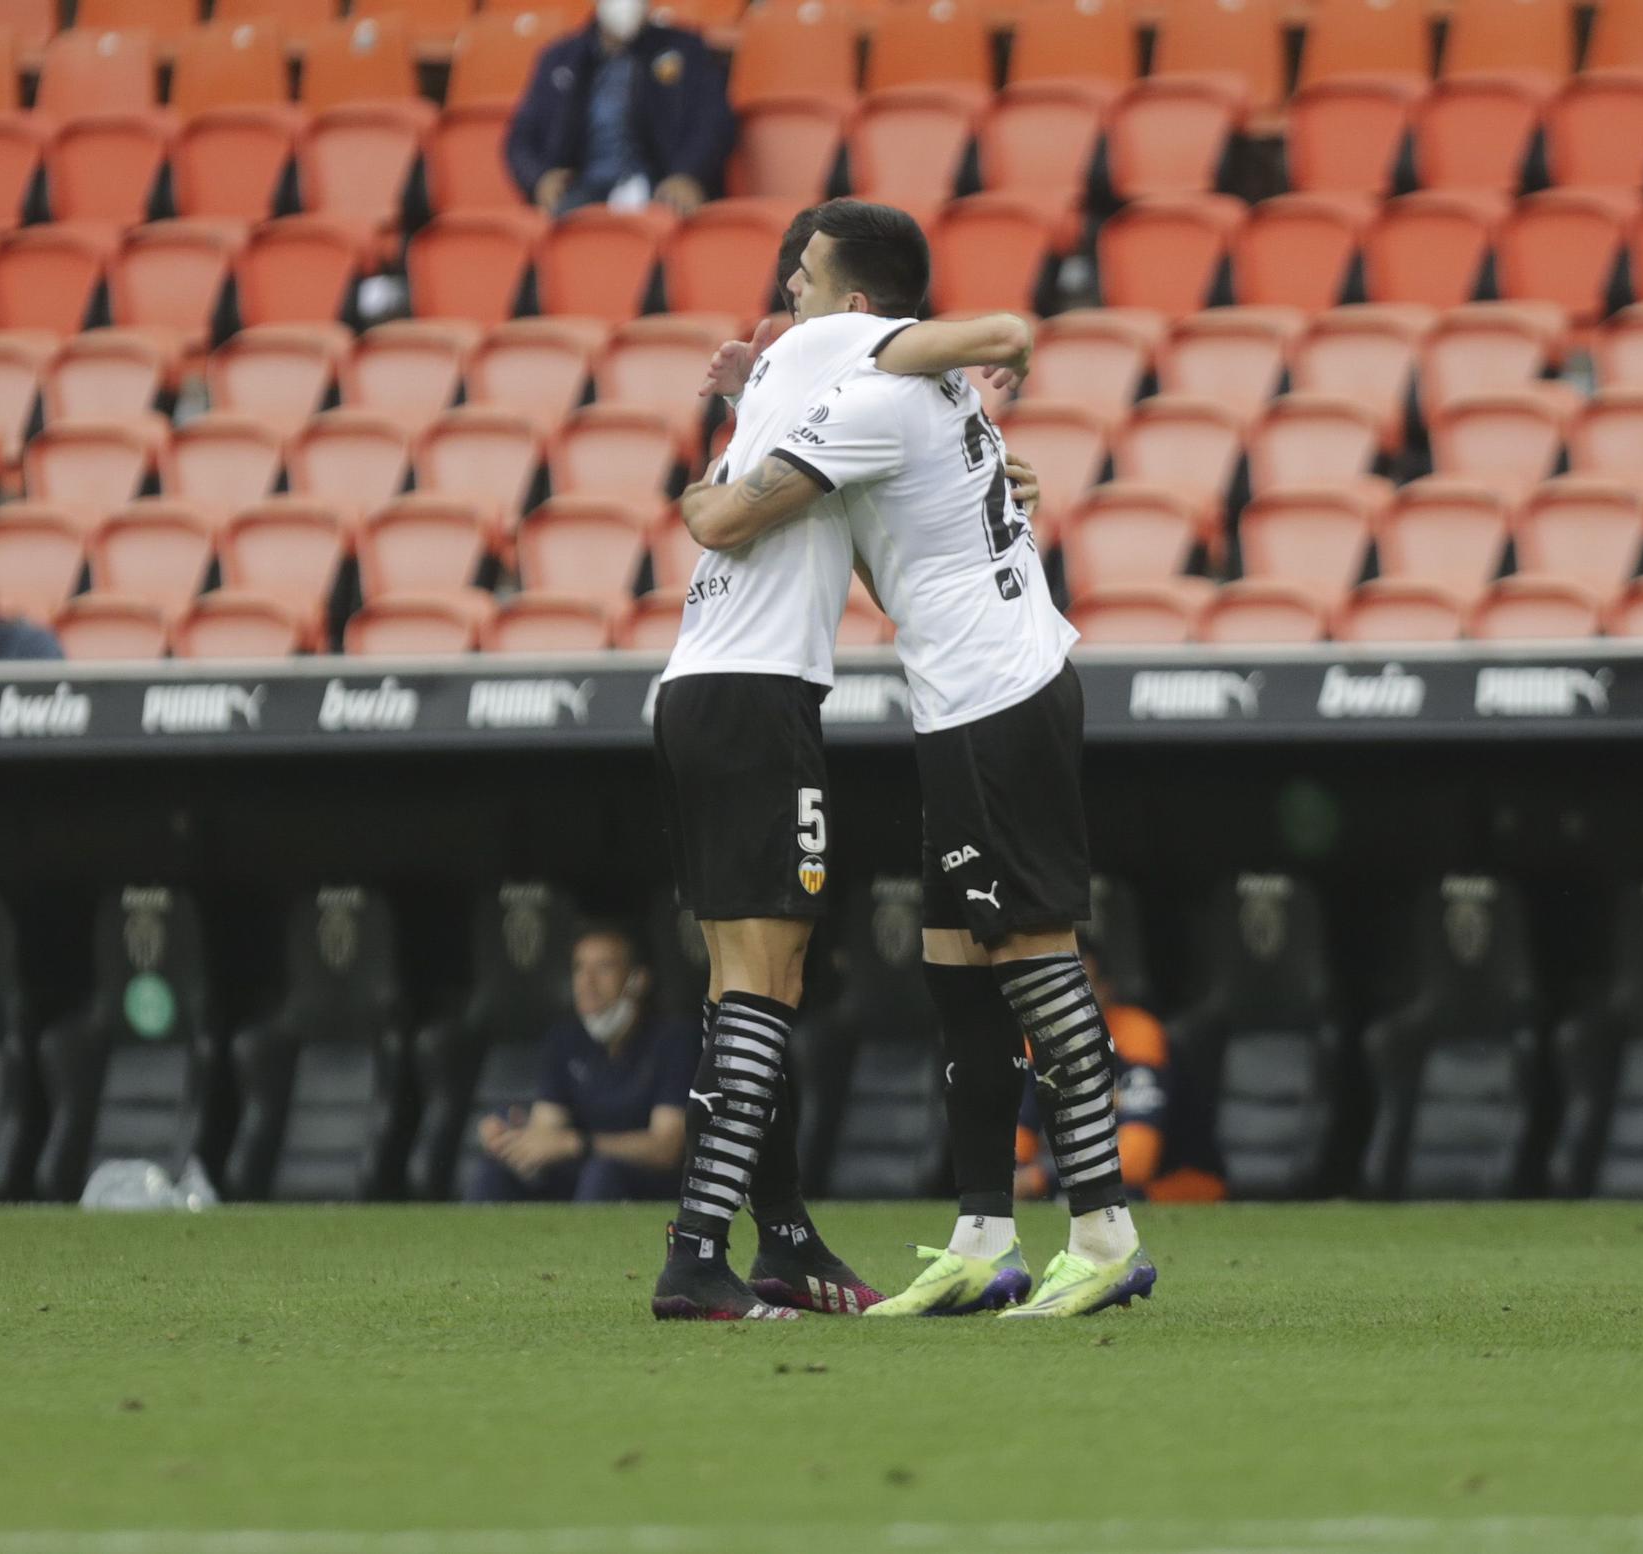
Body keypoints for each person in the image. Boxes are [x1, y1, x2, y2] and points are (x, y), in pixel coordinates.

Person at [679, 200, 1156, 1319]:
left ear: (853, 308)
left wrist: (703, 486)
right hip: (967, 701)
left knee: (1035, 954)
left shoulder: (878, 398)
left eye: (801, 280)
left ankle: (1101, 1231)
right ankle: (983, 1236)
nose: (783, 296)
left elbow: (735, 520)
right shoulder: (912, 397)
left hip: (1000, 698)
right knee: (956, 964)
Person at [468, 923, 698, 1203]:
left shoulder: (674, 1039)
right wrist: (514, 1136)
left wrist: (579, 1144)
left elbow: (666, 1148)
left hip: (646, 1185)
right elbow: (548, 1128)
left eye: (603, 968)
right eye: (579, 968)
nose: (586, 982)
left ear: (637, 980)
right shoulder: (565, 1039)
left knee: (601, 1173)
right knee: (491, 1174)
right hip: (580, 1175)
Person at [505, 0, 733, 218]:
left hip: (660, 187)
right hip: (583, 190)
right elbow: (520, 138)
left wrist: (689, 174)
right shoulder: (560, 59)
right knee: (567, 229)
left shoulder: (686, 49)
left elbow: (713, 123)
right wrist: (540, 179)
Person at [1014, 938, 1168, 1202]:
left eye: (1080, 988)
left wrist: (1040, 1179)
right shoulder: (1038, 1040)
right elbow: (1016, 1147)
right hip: (1073, 1186)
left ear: (1106, 989)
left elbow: (1137, 1164)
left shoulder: (1138, 1033)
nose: (1067, 1002)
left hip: (1170, 1187)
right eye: (1057, 990)